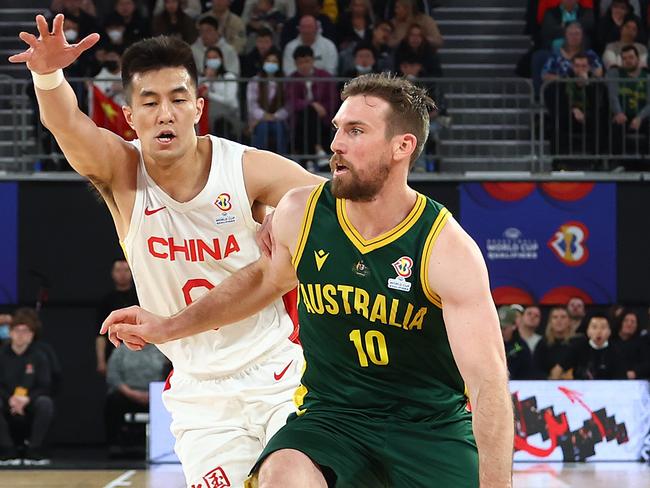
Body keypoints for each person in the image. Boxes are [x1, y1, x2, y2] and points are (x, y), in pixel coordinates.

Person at [103, 73, 514, 488]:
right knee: (282, 473)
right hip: (332, 420)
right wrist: (167, 326)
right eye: (337, 129)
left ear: (401, 147)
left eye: (356, 131)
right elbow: (258, 284)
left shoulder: (446, 248)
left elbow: (488, 384)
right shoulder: (302, 212)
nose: (336, 144)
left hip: (428, 427)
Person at [10, 16, 323, 487]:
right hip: (198, 391)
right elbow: (68, 125)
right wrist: (48, 77)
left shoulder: (246, 169)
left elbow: (337, 204)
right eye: (150, 102)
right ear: (130, 116)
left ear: (197, 107)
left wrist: (290, 212)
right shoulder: (122, 172)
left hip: (278, 373)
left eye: (178, 99)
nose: (165, 113)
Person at [0, 312, 54, 465]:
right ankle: (7, 450)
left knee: (45, 403)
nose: (21, 335)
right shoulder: (2, 355)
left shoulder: (39, 356)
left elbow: (45, 385)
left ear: (32, 335)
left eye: (26, 331)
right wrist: (9, 398)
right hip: (6, 400)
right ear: (10, 333)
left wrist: (27, 399)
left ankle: (34, 450)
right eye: (17, 331)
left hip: (30, 401)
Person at [105, 343, 169, 454]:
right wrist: (131, 393)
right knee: (113, 401)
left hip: (156, 394)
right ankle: (115, 444)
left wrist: (154, 394)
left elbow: (169, 373)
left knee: (170, 401)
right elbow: (113, 375)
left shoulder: (161, 349)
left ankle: (165, 448)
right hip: (128, 393)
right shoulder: (121, 351)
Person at [96, 258, 138, 376]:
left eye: (126, 270)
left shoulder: (140, 297)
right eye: (118, 270)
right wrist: (101, 361)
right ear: (113, 273)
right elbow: (100, 334)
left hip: (142, 351)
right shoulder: (106, 301)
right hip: (115, 350)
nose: (122, 274)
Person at [247, 50, 289, 153]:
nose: (271, 64)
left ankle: (282, 160)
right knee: (263, 127)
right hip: (260, 120)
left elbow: (288, 105)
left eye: (274, 61)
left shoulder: (285, 82)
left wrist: (276, 116)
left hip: (278, 119)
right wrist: (264, 116)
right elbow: (252, 105)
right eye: (268, 61)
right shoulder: (255, 81)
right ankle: (258, 160)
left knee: (278, 128)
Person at [561, 316, 625, 379]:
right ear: (588, 331)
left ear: (609, 332)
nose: (599, 331)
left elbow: (621, 377)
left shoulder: (616, 350)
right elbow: (559, 368)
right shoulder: (577, 348)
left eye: (603, 327)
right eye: (594, 327)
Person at [198, 46, 241, 139]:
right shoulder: (202, 79)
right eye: (209, 58)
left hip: (228, 115)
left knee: (221, 123)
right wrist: (208, 78)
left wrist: (210, 95)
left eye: (215, 57)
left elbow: (230, 100)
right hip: (207, 116)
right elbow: (200, 93)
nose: (212, 60)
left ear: (221, 59)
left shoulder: (229, 77)